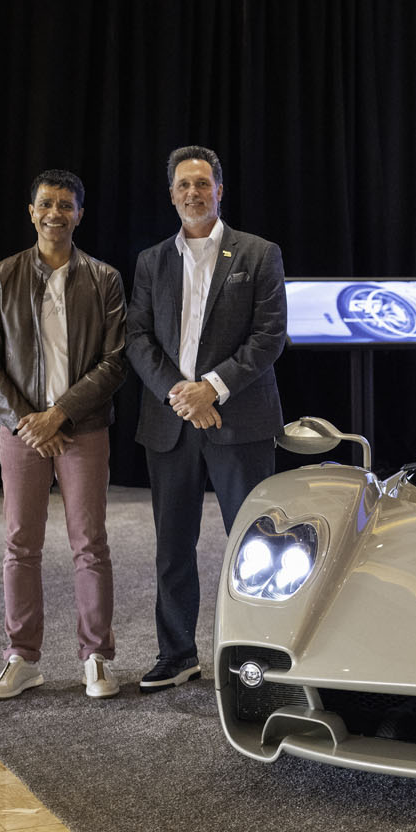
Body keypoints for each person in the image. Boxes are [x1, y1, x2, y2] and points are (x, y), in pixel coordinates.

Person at [126, 145, 287, 693]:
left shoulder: (259, 254)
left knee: (255, 545)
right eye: (182, 186)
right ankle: (177, 654)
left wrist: (211, 389)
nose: (193, 193)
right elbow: (137, 337)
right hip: (171, 422)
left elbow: (269, 338)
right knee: (173, 545)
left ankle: (257, 659)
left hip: (238, 419)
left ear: (220, 190)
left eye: (202, 183)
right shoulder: (152, 261)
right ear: (172, 195)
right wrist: (181, 393)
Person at [0, 169, 127, 700]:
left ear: (80, 213)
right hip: (21, 433)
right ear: (31, 212)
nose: (55, 212)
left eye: (66, 204)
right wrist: (27, 421)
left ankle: (97, 657)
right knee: (20, 543)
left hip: (81, 429)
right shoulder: (0, 276)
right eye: (46, 204)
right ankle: (22, 658)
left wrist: (57, 414)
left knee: (90, 543)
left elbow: (115, 362)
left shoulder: (104, 279)